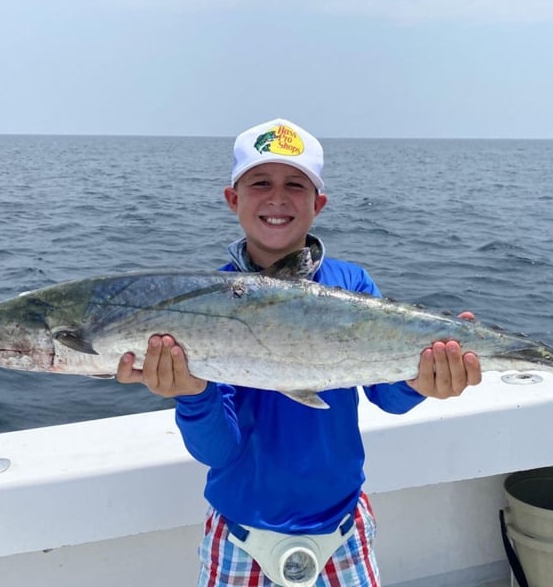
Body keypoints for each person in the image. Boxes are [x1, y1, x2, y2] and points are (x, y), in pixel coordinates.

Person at [116, 118, 481, 586]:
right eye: (260, 183)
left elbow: (387, 397)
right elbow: (219, 451)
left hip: (343, 529)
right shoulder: (203, 304)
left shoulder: (351, 285)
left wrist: (423, 382)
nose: (276, 198)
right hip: (238, 534)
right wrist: (192, 393)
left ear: (318, 204)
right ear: (233, 199)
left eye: (295, 184)